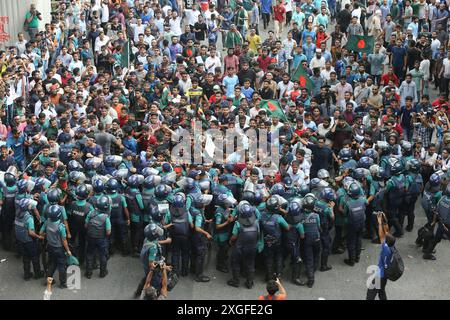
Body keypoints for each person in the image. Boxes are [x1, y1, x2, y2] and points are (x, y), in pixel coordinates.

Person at [40, 205, 72, 289]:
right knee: (62, 265)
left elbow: (41, 232)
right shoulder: (60, 226)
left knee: (52, 264)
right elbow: (64, 240)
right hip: (59, 248)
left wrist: (46, 235)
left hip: (50, 247)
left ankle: (49, 279)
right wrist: (68, 250)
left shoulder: (47, 221)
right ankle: (62, 283)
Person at [366, 217, 395, 300]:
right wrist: (384, 222)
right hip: (385, 275)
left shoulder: (386, 249)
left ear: (386, 242)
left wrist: (379, 223)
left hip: (379, 275)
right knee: (381, 290)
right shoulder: (392, 246)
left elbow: (381, 236)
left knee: (370, 293)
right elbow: (386, 234)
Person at [85, 195, 112, 279]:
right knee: (102, 255)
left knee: (89, 254)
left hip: (90, 237)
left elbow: (86, 225)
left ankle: (89, 273)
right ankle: (102, 272)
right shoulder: (106, 218)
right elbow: (108, 232)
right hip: (101, 239)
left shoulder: (91, 213)